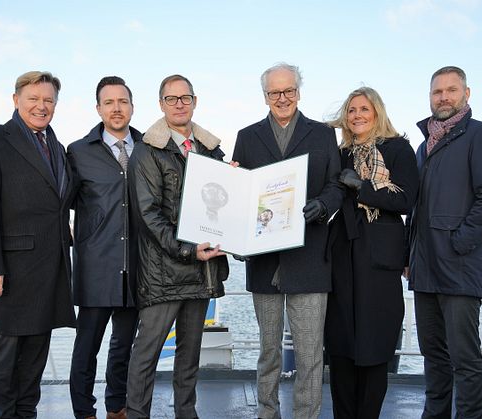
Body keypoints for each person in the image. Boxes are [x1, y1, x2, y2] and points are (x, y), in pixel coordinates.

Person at [232, 63, 343, 419]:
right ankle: (268, 414)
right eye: (274, 93)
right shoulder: (246, 137)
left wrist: (323, 205)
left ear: (299, 90)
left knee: (311, 355)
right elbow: (241, 194)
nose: (282, 99)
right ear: (264, 96)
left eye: (289, 91)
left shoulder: (323, 134)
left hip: (310, 259)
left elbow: (337, 185)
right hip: (265, 262)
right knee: (268, 352)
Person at [0, 71, 76, 419]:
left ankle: (27, 414)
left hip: (50, 269)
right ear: (16, 100)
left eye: (48, 101)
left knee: (35, 357)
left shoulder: (57, 148)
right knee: (8, 356)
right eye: (33, 99)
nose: (41, 107)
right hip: (10, 271)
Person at [405, 66, 482, 419]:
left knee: (464, 358)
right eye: (438, 92)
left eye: (452, 90)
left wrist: (460, 243)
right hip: (425, 268)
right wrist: (410, 257)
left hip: (460, 268)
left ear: (467, 93)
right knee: (432, 355)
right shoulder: (424, 147)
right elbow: (416, 210)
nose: (444, 97)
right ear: (430, 97)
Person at [125, 74, 229, 419]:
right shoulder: (146, 152)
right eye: (172, 99)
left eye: (185, 98)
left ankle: (187, 414)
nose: (179, 104)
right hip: (163, 271)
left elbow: (223, 204)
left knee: (190, 355)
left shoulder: (211, 149)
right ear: (161, 105)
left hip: (201, 269)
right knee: (147, 354)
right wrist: (186, 249)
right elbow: (148, 215)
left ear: (195, 101)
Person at [324, 87, 419, 418]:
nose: (357, 115)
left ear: (377, 112)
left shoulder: (397, 149)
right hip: (342, 254)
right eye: (351, 110)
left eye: (363, 109)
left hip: (379, 259)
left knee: (374, 343)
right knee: (341, 344)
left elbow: (405, 199)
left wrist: (361, 188)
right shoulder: (340, 154)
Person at [67, 76, 143, 419]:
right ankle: (84, 410)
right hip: (96, 264)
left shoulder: (148, 147)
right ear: (98, 108)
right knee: (87, 347)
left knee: (124, 346)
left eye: (122, 101)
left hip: (137, 265)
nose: (116, 108)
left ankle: (118, 407)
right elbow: (59, 205)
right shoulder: (78, 152)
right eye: (109, 102)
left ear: (131, 105)